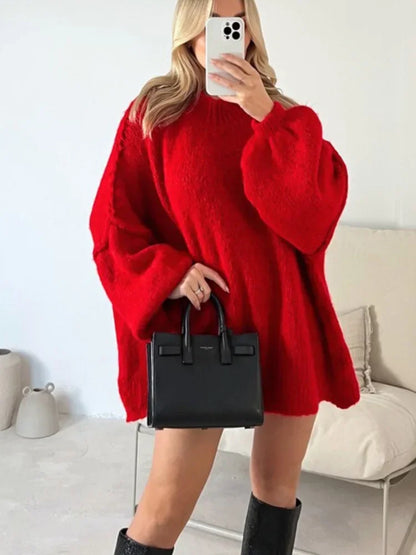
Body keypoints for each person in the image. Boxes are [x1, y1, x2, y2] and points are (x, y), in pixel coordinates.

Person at [88, 0, 361, 553]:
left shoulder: (287, 117)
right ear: (190, 28)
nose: (224, 34)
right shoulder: (155, 113)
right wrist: (169, 272)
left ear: (251, 31)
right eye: (212, 22)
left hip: (287, 326)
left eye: (235, 23)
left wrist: (267, 115)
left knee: (276, 493)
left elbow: (312, 221)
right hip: (205, 332)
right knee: (163, 507)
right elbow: (113, 225)